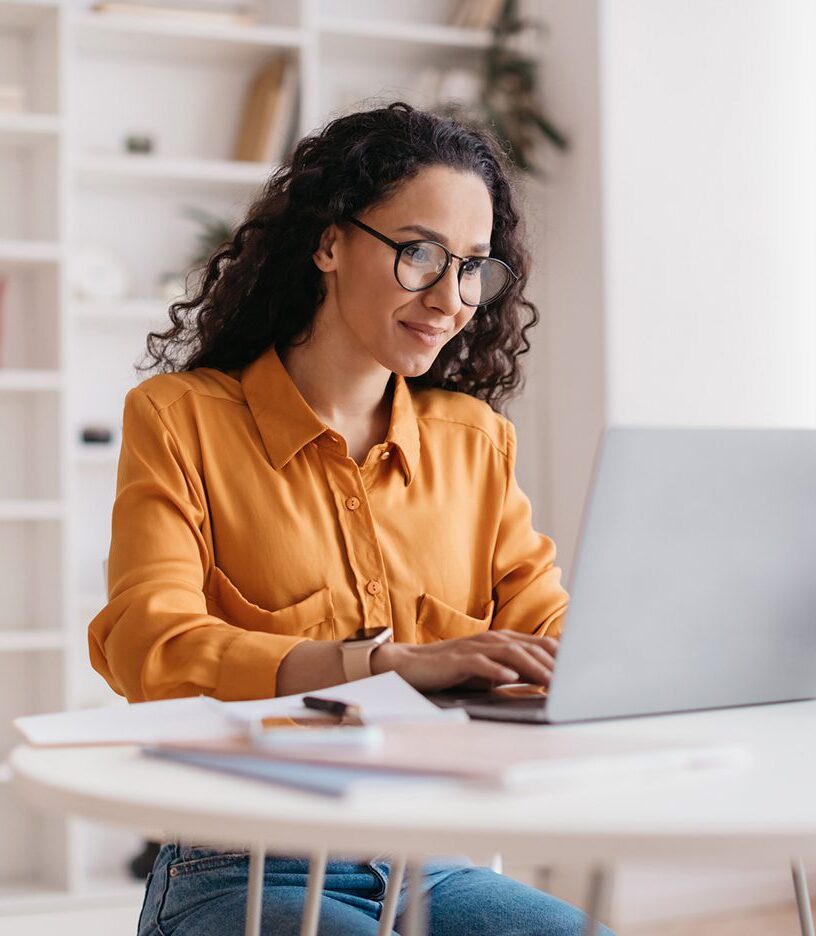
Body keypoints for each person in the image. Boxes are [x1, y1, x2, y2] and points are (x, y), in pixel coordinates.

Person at [89, 101, 615, 936]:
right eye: (420, 254)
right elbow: (147, 644)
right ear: (329, 242)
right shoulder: (181, 417)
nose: (451, 298)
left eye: (474, 266)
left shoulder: (474, 443)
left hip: (431, 860)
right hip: (240, 864)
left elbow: (545, 635)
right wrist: (383, 664)